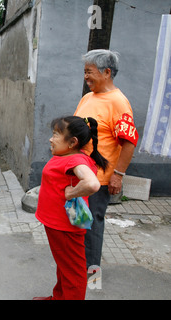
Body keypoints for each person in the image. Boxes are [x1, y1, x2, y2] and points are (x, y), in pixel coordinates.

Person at [74, 49, 138, 273]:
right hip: (79, 175)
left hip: (98, 179)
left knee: (91, 226)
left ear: (107, 72)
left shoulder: (118, 102)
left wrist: (118, 175)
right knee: (78, 223)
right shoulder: (88, 97)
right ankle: (78, 270)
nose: (86, 77)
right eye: (84, 72)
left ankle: (91, 275)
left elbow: (129, 141)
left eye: (89, 72)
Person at [34, 116, 108, 300]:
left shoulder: (75, 160)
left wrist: (71, 193)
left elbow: (92, 184)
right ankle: (58, 296)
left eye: (56, 134)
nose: (51, 139)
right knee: (64, 265)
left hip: (65, 227)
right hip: (56, 225)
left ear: (72, 142)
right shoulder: (66, 156)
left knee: (73, 272)